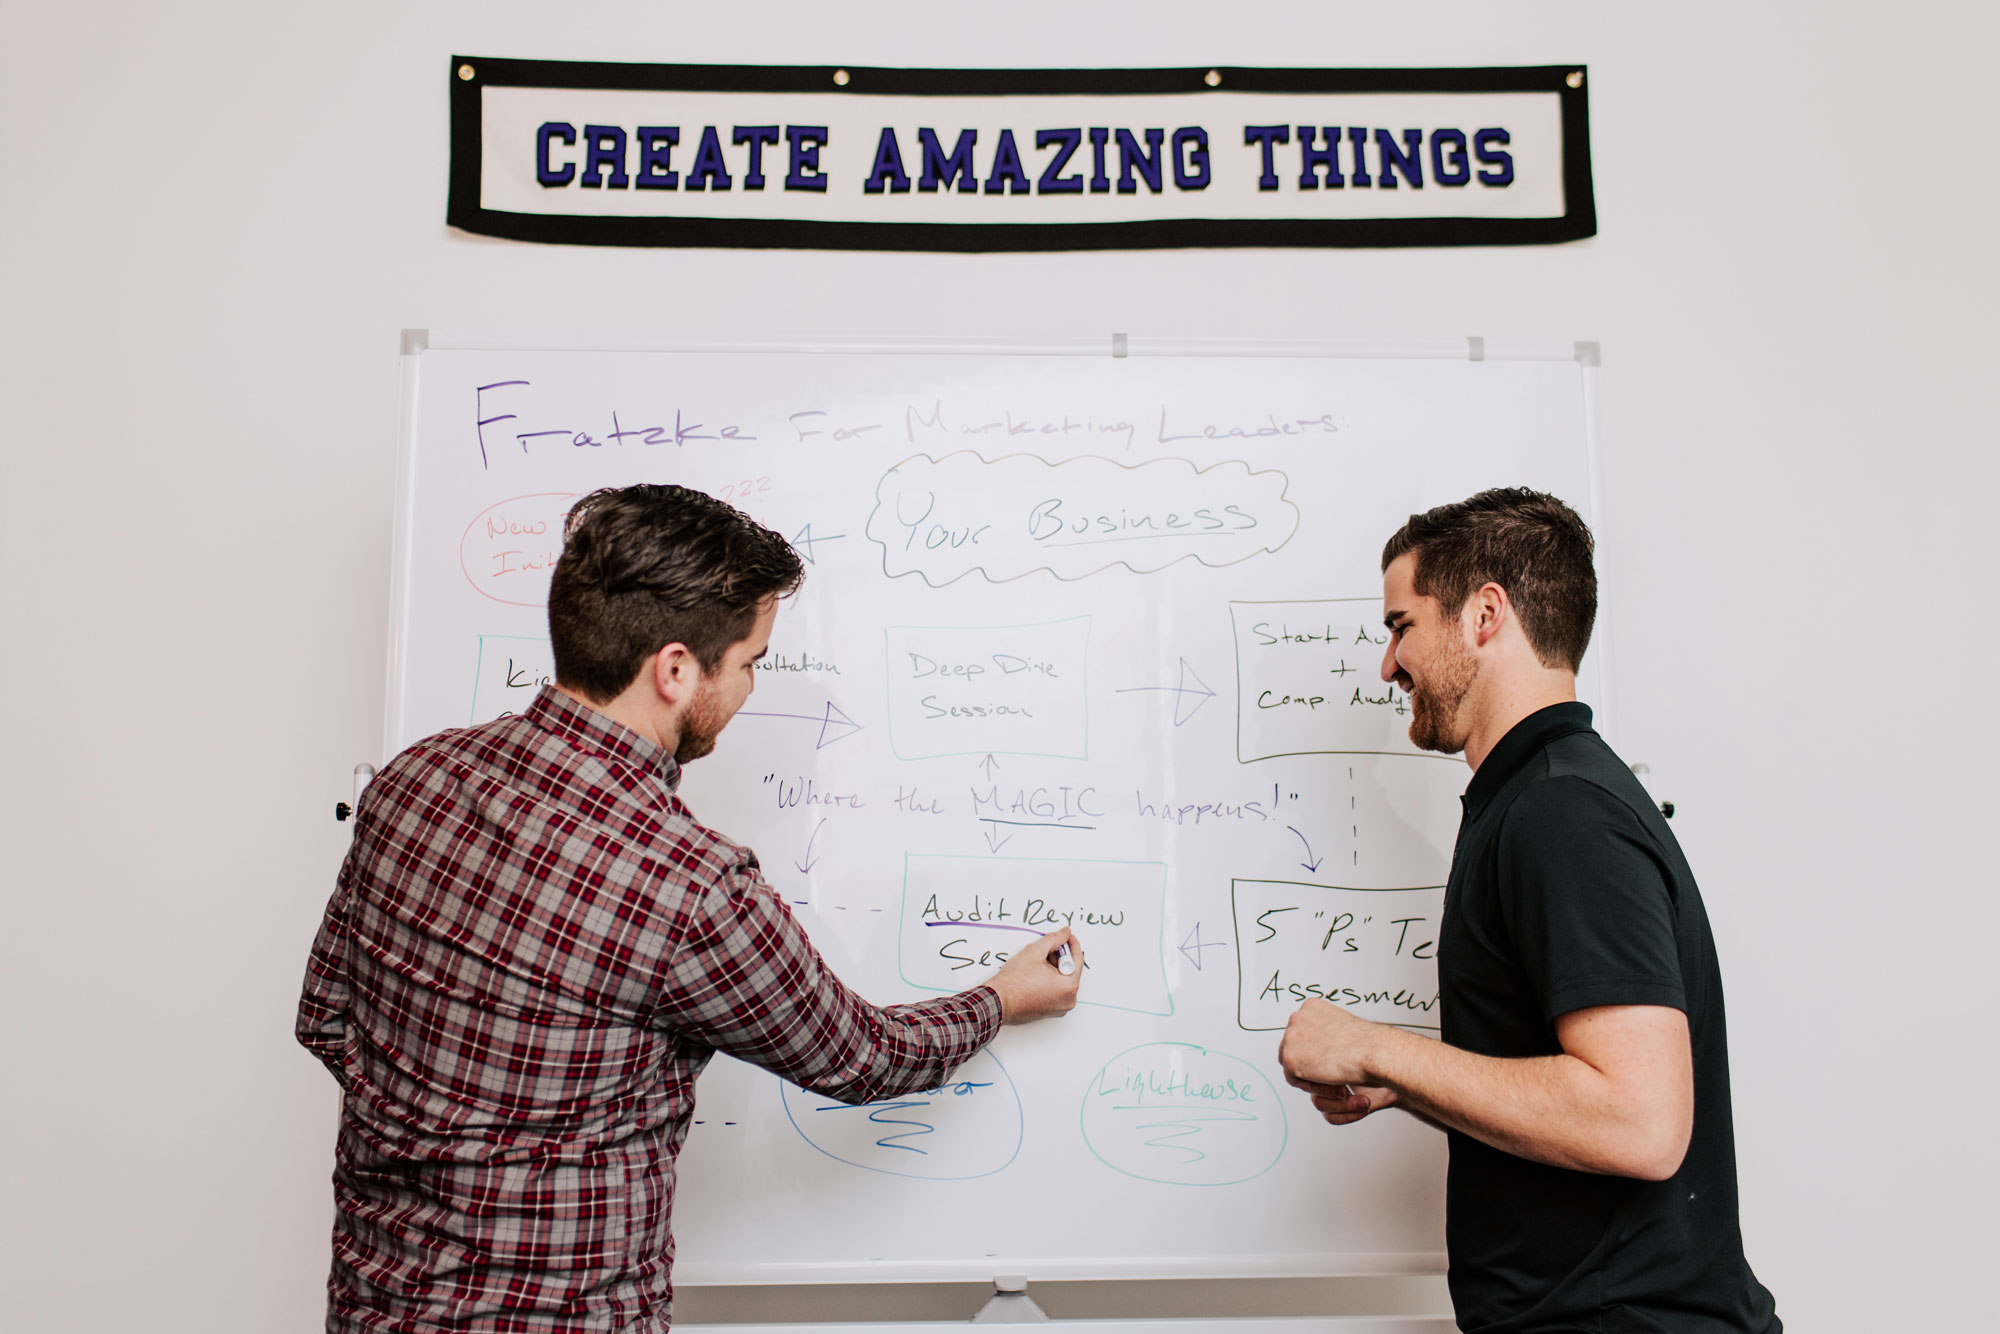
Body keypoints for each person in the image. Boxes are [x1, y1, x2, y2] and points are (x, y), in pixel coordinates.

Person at [297, 484, 1082, 1333]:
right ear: (674, 669)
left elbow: (326, 1022)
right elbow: (860, 1058)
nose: (748, 688)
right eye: (748, 661)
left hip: (376, 1305)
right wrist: (1000, 999)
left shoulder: (417, 780)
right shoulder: (687, 887)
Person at [1278, 488, 1779, 1332]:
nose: (1388, 666)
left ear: (1483, 614)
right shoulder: (1541, 796)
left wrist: (1377, 1046)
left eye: (1401, 625)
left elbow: (1643, 1123)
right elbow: (1578, 1092)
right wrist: (1406, 1084)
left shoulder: (1560, 814)